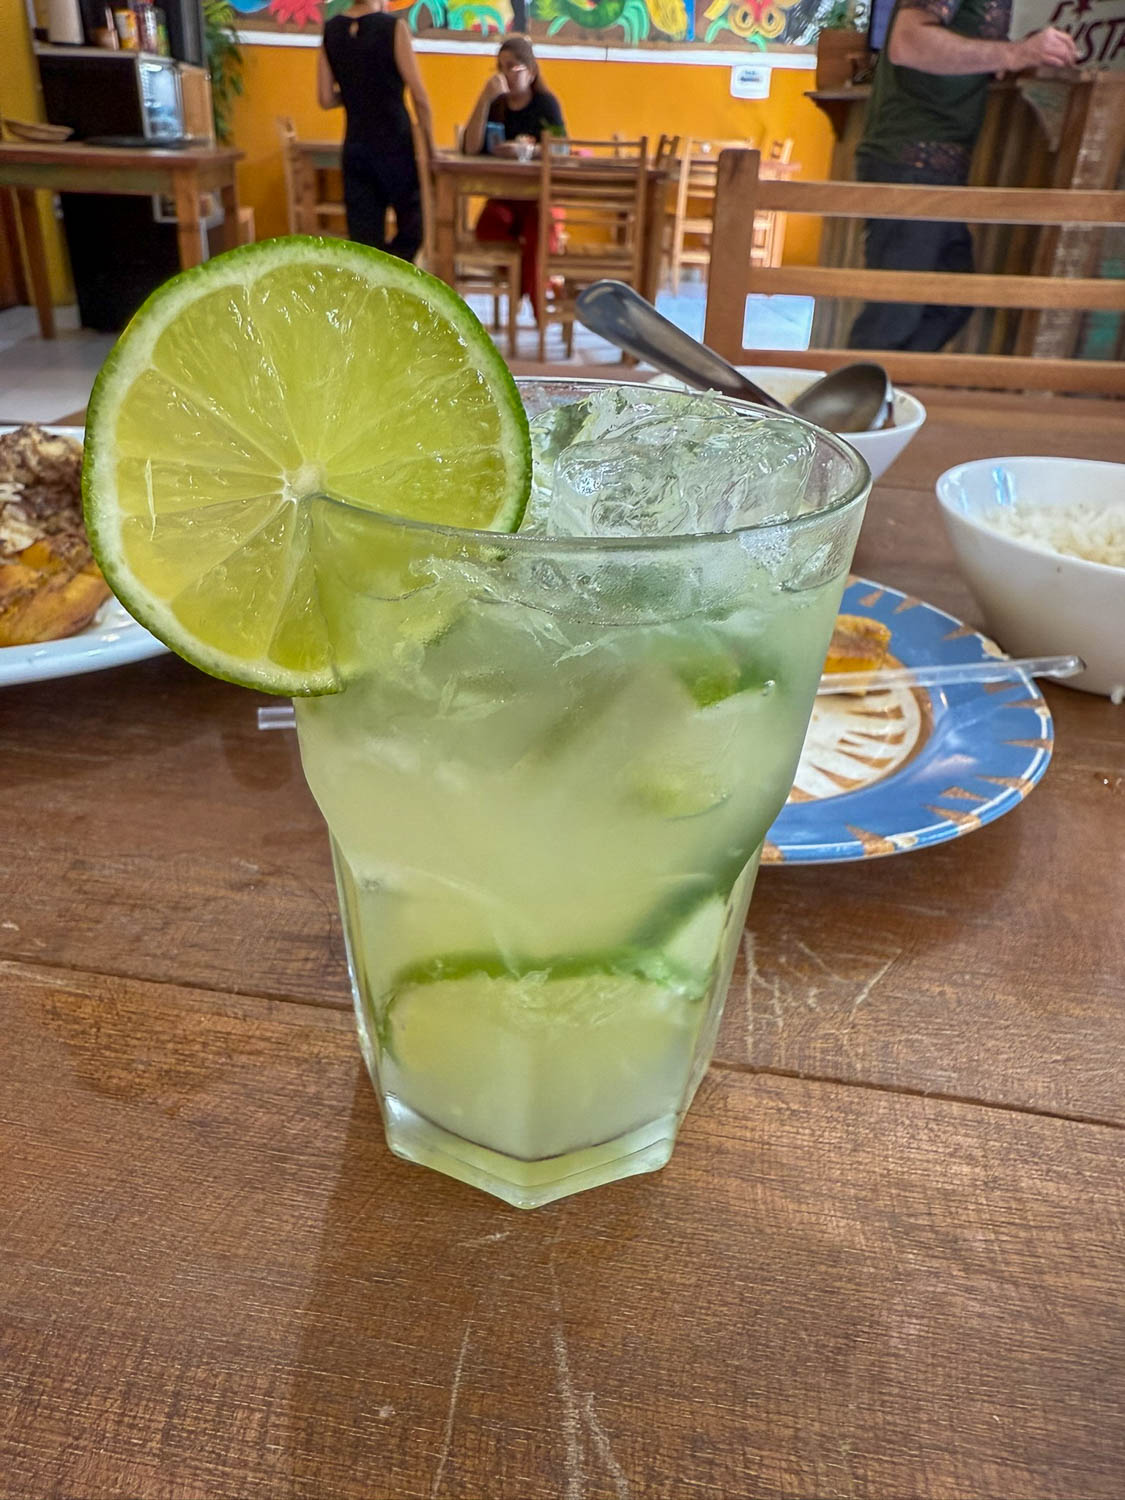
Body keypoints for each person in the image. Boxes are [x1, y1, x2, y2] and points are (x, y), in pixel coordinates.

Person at [847, 0, 1078, 352]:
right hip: (908, 163)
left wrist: (1003, 58)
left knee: (949, 303)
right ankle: (858, 400)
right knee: (892, 320)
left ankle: (885, 394)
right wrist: (1014, 54)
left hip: (934, 172)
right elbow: (907, 43)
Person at [319, 0, 433, 263]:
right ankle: (395, 272)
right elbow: (420, 97)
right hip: (396, 146)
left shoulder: (331, 30)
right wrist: (430, 147)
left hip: (356, 146)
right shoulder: (394, 28)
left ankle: (375, 284)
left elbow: (325, 98)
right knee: (414, 228)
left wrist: (353, 94)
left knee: (364, 245)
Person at [462, 36, 567, 317]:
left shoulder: (546, 104)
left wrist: (528, 150)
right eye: (500, 67)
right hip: (504, 198)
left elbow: (562, 149)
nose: (504, 74)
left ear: (530, 71)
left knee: (538, 232)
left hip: (537, 198)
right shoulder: (496, 105)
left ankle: (535, 305)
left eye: (511, 67)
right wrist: (484, 98)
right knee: (487, 228)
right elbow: (470, 148)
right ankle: (528, 284)